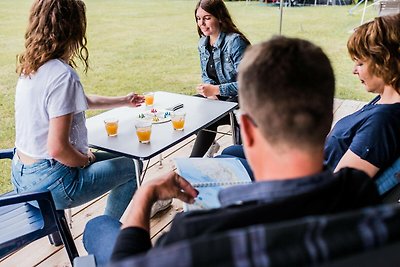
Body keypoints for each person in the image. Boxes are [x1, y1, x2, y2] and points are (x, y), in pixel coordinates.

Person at [83, 36, 381, 266]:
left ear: (248, 129)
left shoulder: (197, 234)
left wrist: (145, 193)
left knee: (98, 227)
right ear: (328, 117)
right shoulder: (359, 195)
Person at [221, 13, 400, 184]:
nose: (354, 70)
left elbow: (340, 187)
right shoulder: (383, 101)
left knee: (224, 161)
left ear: (386, 61)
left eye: (360, 63)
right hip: (309, 167)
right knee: (231, 151)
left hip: (303, 184)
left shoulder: (383, 121)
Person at [12, 0, 144, 220]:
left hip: (21, 175)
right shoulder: (62, 75)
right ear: (73, 27)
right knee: (132, 167)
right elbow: (57, 149)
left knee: (123, 155)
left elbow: (78, 101)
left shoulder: (32, 66)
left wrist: (124, 100)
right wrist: (86, 159)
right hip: (51, 182)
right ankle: (106, 229)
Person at [190, 0, 250, 157]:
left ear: (220, 18)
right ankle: (210, 144)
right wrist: (211, 94)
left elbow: (249, 82)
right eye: (198, 18)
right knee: (189, 106)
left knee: (209, 117)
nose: (201, 23)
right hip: (219, 98)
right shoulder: (203, 43)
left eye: (207, 18)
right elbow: (206, 75)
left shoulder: (235, 42)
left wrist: (217, 90)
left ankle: (192, 163)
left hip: (244, 100)